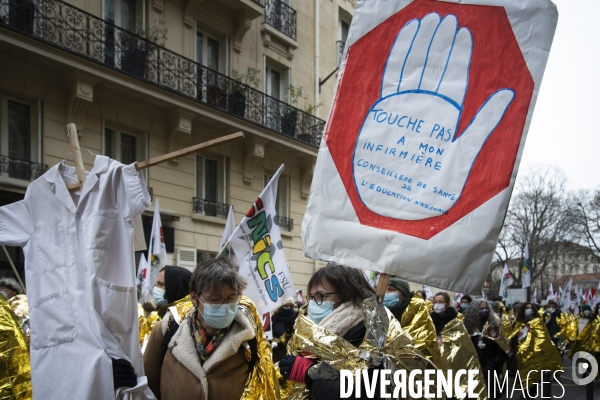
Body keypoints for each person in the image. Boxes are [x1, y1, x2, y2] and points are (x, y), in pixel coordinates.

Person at [279, 264, 433, 399]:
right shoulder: (319, 333)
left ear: (347, 294)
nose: (314, 304)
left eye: (320, 296)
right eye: (311, 297)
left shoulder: (372, 333)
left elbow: (367, 393)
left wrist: (310, 374)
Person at [143, 258, 277, 400]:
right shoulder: (166, 332)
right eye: (215, 299)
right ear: (194, 298)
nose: (224, 306)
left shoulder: (249, 341)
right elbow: (148, 389)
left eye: (231, 298)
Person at [430, 292, 487, 398]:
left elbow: (461, 341)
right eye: (436, 302)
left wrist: (444, 340)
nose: (437, 304)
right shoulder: (429, 319)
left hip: (454, 362)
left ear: (447, 303)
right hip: (435, 361)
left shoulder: (456, 320)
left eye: (441, 302)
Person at [384, 277, 442, 365]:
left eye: (391, 290)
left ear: (403, 295)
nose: (386, 293)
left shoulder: (418, 313)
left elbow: (422, 348)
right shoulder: (379, 312)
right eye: (384, 290)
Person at [508, 302, 562, 396]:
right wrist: (517, 335)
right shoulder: (519, 322)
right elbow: (512, 336)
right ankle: (525, 394)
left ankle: (530, 396)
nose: (529, 310)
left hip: (534, 353)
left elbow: (543, 337)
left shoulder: (537, 322)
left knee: (533, 376)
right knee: (523, 375)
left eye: (531, 308)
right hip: (520, 354)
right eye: (527, 308)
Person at [463, 299, 509, 392]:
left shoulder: (495, 324)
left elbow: (503, 346)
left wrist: (494, 363)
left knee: (490, 392)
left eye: (486, 308)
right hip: (473, 366)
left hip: (491, 366)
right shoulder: (467, 325)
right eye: (481, 308)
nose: (484, 310)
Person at [271, 297, 297, 362]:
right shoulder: (275, 317)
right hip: (275, 351)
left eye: (291, 306)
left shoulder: (296, 317)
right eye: (286, 306)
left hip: (289, 354)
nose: (288, 308)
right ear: (281, 306)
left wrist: (289, 332)